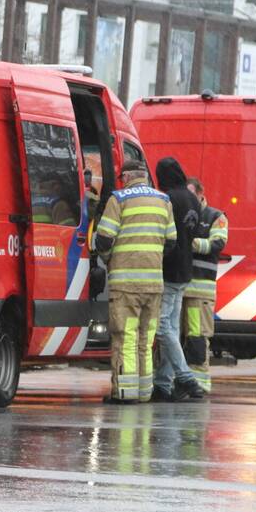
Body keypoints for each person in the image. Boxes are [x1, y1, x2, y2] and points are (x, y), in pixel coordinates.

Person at [94, 160, 177, 404]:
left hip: (125, 284)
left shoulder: (118, 199)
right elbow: (171, 241)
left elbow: (104, 239)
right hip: (153, 285)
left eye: (122, 177)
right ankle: (144, 392)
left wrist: (109, 259)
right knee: (145, 340)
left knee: (126, 337)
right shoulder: (163, 201)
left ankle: (125, 393)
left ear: (128, 176)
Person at [153, 157, 206, 401]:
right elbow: (195, 233)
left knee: (163, 327)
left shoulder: (168, 199)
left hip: (168, 269)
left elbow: (163, 236)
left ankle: (186, 379)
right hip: (186, 269)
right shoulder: (193, 198)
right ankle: (164, 385)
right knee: (171, 328)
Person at [182, 178, 228, 393]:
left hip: (200, 291)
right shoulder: (182, 214)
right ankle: (180, 381)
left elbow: (218, 243)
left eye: (192, 195)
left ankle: (199, 383)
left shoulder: (215, 217)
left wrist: (190, 244)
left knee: (197, 337)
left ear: (201, 193)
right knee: (176, 337)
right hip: (179, 288)